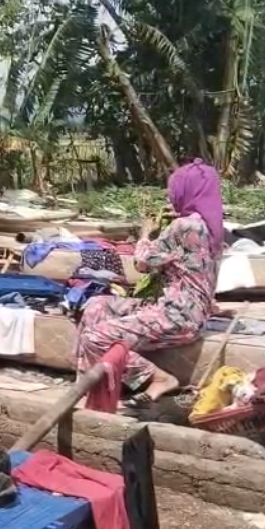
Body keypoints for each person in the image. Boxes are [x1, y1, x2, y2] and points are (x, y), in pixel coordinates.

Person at [75, 159, 224, 404]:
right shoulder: (213, 229)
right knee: (97, 305)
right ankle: (94, 380)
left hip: (177, 315)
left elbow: (143, 263)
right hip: (180, 309)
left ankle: (159, 377)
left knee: (95, 337)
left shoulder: (183, 226)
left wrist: (145, 234)